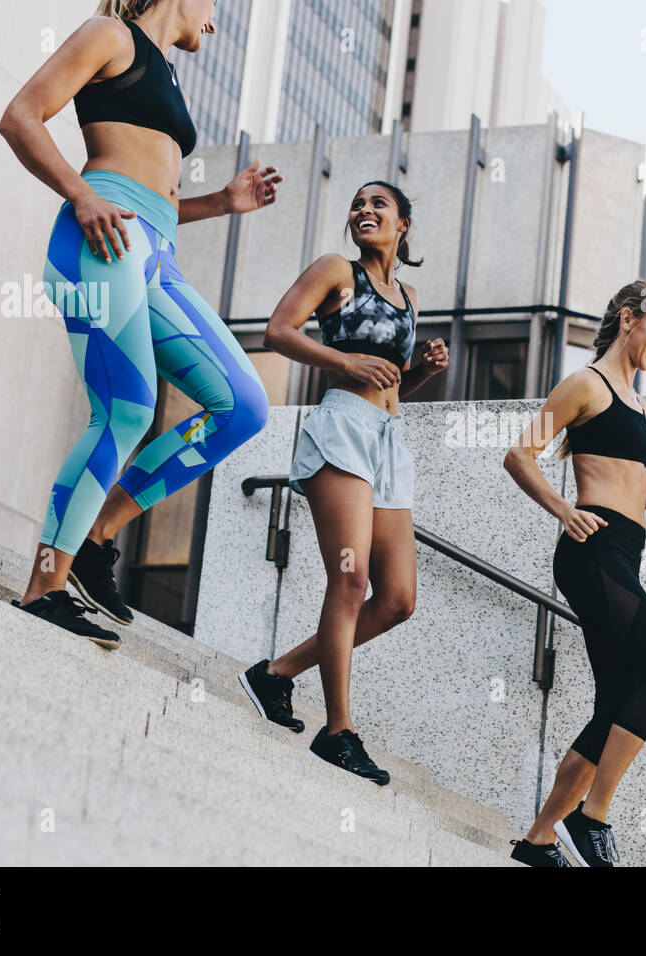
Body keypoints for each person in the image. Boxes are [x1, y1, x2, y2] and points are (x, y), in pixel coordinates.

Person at [0, 0, 283, 648]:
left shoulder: (164, 69)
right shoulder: (108, 37)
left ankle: (99, 535)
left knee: (241, 405)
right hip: (98, 239)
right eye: (214, 5)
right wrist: (82, 194)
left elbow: (156, 195)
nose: (214, 21)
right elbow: (20, 117)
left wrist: (221, 203)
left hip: (155, 252)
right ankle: (44, 582)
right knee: (126, 409)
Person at [502, 280, 646, 866]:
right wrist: (563, 509)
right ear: (630, 320)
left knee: (615, 702)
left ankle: (538, 839)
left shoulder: (634, 398)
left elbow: (626, 490)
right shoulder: (585, 383)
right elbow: (518, 454)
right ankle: (590, 817)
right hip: (592, 549)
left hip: (622, 548)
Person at [238, 180, 448, 785]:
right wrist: (345, 362)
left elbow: (388, 385)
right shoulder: (337, 271)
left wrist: (419, 377)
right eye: (357, 204)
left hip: (388, 441)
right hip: (341, 429)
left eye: (378, 204)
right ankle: (338, 731)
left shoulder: (409, 296)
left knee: (399, 599)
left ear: (403, 224)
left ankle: (275, 674)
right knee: (350, 578)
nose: (364, 210)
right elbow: (276, 332)